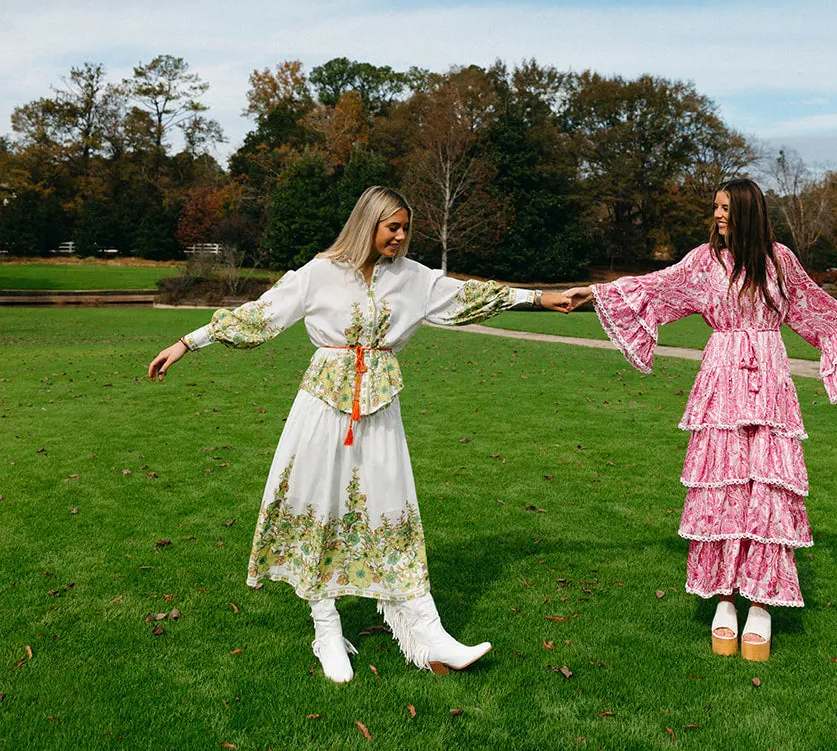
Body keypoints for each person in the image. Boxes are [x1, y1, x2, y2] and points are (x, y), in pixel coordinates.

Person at [148, 185, 572, 683]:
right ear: (366, 223)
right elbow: (259, 315)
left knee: (392, 510)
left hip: (380, 410)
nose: (400, 236)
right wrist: (188, 342)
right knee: (321, 506)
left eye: (406, 228)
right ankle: (326, 630)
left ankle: (430, 635)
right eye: (392, 226)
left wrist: (541, 297)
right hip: (322, 410)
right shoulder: (319, 273)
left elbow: (474, 295)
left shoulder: (415, 279)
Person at [564, 177, 837, 660]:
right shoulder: (704, 262)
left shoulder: (779, 260)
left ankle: (761, 604)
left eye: (726, 208)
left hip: (769, 379)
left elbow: (816, 309)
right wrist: (594, 293)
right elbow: (655, 288)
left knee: (767, 487)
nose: (718, 216)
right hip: (721, 380)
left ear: (747, 211)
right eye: (715, 208)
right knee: (722, 485)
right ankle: (725, 598)